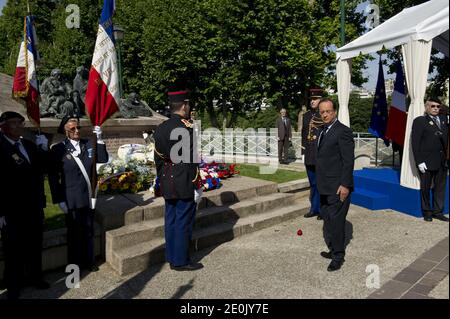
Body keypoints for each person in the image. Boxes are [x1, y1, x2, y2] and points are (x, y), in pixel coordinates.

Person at [48, 117, 109, 272]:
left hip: (88, 196)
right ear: (65, 131)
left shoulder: (88, 143)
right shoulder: (58, 149)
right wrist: (58, 199)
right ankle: (74, 266)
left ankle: (89, 261)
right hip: (71, 198)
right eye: (72, 129)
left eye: (78, 128)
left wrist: (100, 139)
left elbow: (103, 159)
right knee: (74, 233)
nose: (76, 131)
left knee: (88, 230)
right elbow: (53, 177)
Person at [0, 111, 50, 299]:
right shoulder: (1, 146)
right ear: (4, 126)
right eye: (16, 123)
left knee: (34, 244)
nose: (21, 126)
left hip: (34, 206)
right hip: (12, 210)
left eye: (21, 123)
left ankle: (35, 277)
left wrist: (43, 149)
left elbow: (45, 168)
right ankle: (13, 285)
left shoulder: (28, 145)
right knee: (13, 249)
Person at [153, 90, 203, 271]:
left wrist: (162, 177)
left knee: (171, 219)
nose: (189, 108)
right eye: (188, 104)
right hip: (183, 178)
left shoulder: (161, 128)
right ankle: (181, 260)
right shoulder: (187, 127)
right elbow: (191, 159)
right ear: (184, 106)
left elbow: (158, 158)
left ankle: (171, 256)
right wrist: (196, 182)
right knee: (183, 220)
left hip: (167, 177)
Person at [316, 99, 355, 272]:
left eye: (328, 111)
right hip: (324, 186)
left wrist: (345, 185)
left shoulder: (343, 132)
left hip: (338, 187)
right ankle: (333, 250)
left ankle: (338, 256)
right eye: (322, 112)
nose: (324, 114)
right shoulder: (322, 131)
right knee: (328, 220)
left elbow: (348, 161)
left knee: (337, 223)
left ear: (335, 112)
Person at [411, 99, 449, 222]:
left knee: (440, 187)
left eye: (438, 106)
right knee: (425, 188)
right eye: (433, 106)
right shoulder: (420, 121)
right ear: (427, 107)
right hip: (426, 161)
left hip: (442, 160)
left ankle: (438, 211)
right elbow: (415, 143)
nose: (436, 108)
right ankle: (427, 212)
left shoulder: (444, 120)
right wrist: (419, 161)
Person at [301, 88, 325, 220]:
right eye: (311, 99)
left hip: (320, 154)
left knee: (321, 183)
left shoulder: (324, 115)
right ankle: (314, 209)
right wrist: (303, 152)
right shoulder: (306, 116)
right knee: (313, 183)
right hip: (309, 154)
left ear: (321, 100)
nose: (312, 101)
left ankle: (322, 209)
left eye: (315, 99)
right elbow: (304, 135)